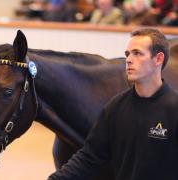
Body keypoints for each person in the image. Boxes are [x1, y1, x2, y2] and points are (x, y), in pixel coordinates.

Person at [48, 28, 178, 180]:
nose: (128, 59)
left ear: (158, 59)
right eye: (127, 54)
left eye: (137, 53)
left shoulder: (174, 109)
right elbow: (89, 158)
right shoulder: (115, 107)